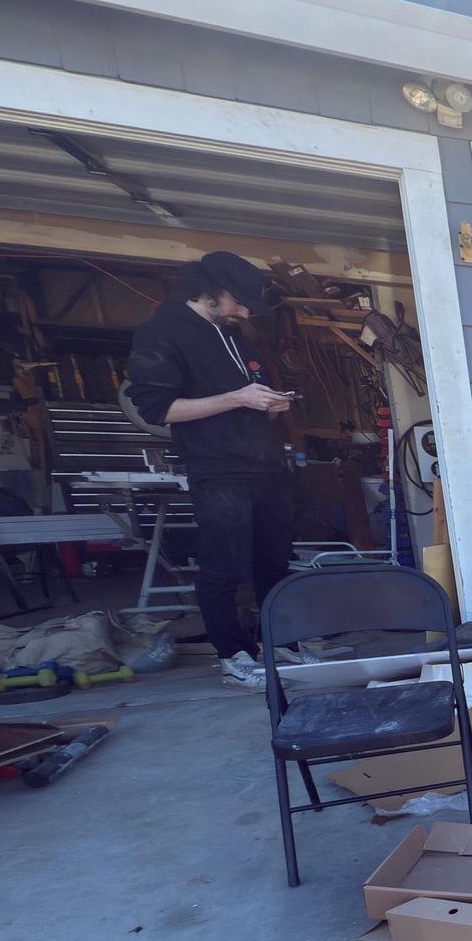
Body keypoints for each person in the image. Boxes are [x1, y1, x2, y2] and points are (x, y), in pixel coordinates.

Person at [126, 252, 295, 688]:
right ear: (210, 290)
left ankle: (283, 642)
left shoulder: (237, 337)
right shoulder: (161, 332)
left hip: (265, 463)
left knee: (273, 561)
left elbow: (248, 397)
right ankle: (234, 655)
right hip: (217, 469)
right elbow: (156, 408)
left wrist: (271, 406)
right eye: (238, 301)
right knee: (225, 566)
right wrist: (237, 399)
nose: (243, 312)